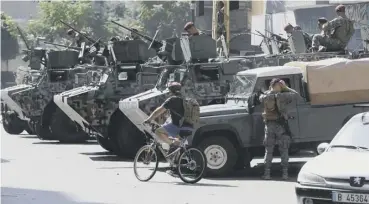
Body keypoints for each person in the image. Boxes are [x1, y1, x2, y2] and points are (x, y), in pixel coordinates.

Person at [144, 82, 194, 176]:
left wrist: (149, 119)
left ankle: (173, 144)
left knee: (158, 132)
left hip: (178, 126)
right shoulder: (185, 99)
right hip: (188, 126)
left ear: (170, 91)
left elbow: (158, 111)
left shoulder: (172, 100)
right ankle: (175, 169)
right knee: (176, 145)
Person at [259, 78, 299, 180]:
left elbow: (260, 98)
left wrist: (269, 90)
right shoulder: (283, 95)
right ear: (279, 86)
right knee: (284, 150)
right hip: (281, 126)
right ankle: (285, 174)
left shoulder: (265, 96)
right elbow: (296, 94)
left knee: (269, 151)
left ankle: (267, 174)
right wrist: (285, 87)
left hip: (269, 126)